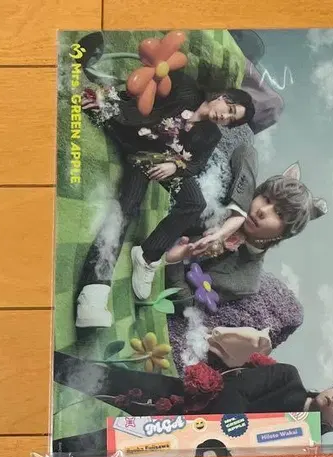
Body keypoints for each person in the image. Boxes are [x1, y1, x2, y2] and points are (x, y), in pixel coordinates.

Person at [76, 70, 256, 326]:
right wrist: (109, 105)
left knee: (195, 203)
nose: (224, 117)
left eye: (230, 119)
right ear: (223, 97)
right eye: (229, 109)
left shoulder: (211, 135)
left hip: (162, 162)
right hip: (137, 145)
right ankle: (93, 293)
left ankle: (147, 256)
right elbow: (144, 103)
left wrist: (175, 166)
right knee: (127, 207)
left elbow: (195, 164)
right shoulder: (185, 88)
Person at [53, 352, 333, 434]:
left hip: (181, 445)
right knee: (101, 379)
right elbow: (237, 389)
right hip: (182, 402)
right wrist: (236, 434)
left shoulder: (302, 446)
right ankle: (40, 357)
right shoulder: (288, 377)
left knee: (97, 449)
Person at [165, 160, 327, 306]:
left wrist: (173, 261)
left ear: (284, 233)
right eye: (266, 199)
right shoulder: (235, 197)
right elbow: (246, 152)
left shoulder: (246, 280)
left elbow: (187, 302)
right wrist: (237, 214)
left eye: (279, 214)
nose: (263, 211)